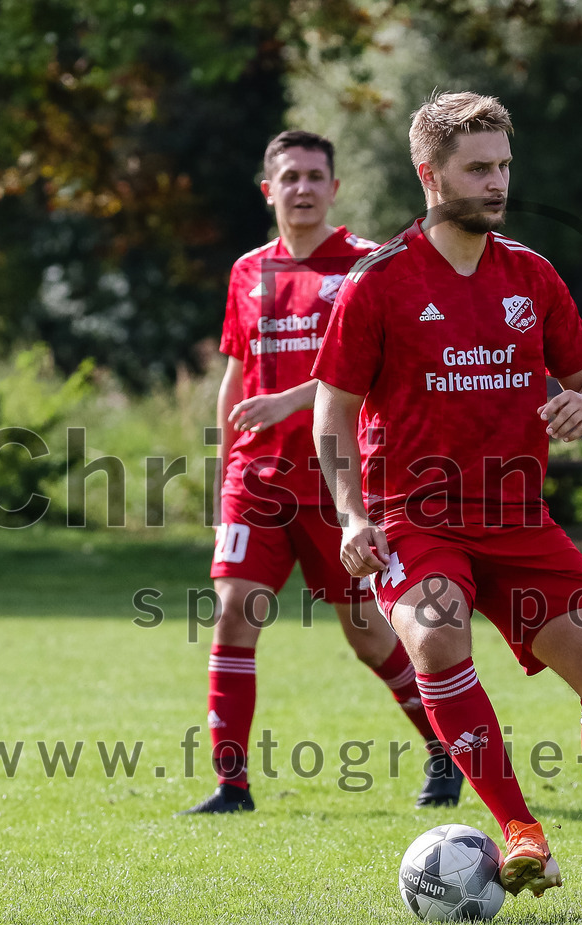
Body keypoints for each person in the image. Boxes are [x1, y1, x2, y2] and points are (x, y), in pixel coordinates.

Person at [310, 92, 582, 915]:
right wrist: (353, 514)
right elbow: (330, 411)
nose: (497, 181)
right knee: (436, 638)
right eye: (478, 167)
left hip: (516, 519)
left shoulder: (531, 274)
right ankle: (519, 831)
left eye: (504, 165)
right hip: (412, 514)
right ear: (429, 173)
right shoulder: (379, 283)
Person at [178, 130, 462, 814]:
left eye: (314, 175)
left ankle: (444, 750)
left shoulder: (368, 264)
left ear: (334, 188)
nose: (302, 187)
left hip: (340, 487)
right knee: (233, 613)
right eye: (289, 176)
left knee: (367, 633)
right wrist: (224, 477)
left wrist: (290, 399)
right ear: (268, 189)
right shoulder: (248, 271)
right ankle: (231, 785)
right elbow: (236, 374)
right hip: (258, 480)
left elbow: (376, 372)